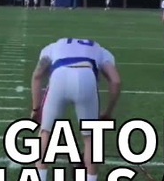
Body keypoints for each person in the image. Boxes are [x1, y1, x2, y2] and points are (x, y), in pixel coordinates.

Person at [30, 37, 121, 181]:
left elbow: (37, 76)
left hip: (59, 76)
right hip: (87, 76)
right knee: (90, 137)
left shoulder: (52, 47)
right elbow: (115, 81)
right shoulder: (101, 50)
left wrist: (36, 109)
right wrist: (108, 112)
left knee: (45, 132)